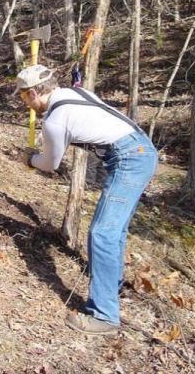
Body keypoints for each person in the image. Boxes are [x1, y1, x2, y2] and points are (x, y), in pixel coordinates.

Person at [15, 64, 158, 336]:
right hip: (141, 150)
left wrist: (29, 160)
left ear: (34, 93)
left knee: (102, 233)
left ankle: (104, 316)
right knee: (114, 231)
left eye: (24, 97)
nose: (25, 104)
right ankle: (111, 287)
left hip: (130, 158)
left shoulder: (55, 120)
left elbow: (50, 164)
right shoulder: (73, 94)